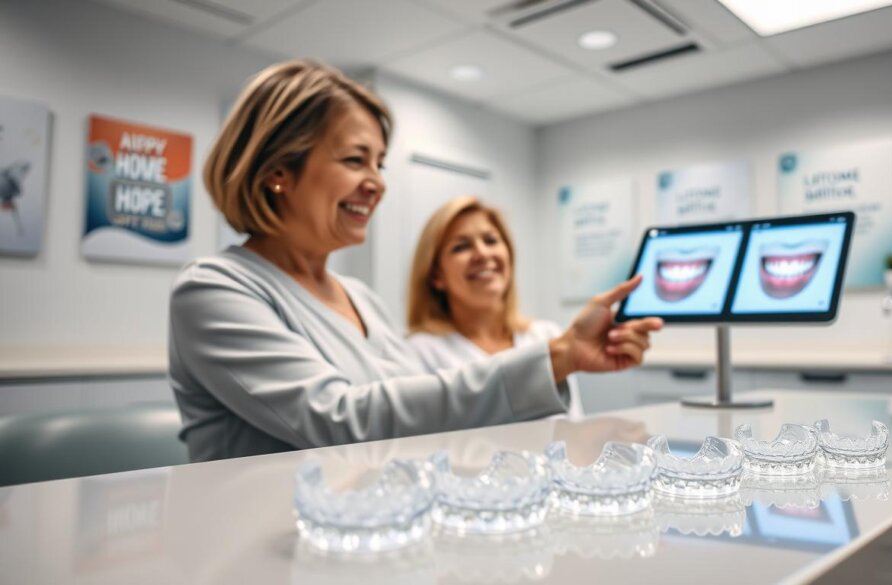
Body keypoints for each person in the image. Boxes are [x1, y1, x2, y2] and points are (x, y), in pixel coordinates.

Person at [168, 58, 662, 462]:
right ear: (278, 170)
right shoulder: (214, 289)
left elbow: (422, 419)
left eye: (379, 164)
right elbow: (342, 421)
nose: (377, 182)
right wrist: (556, 358)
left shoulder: (359, 298)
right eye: (354, 160)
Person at [406, 195, 583, 417]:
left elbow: (574, 425)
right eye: (461, 247)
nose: (482, 254)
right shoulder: (419, 353)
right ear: (436, 275)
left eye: (491, 240)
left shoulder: (547, 336)